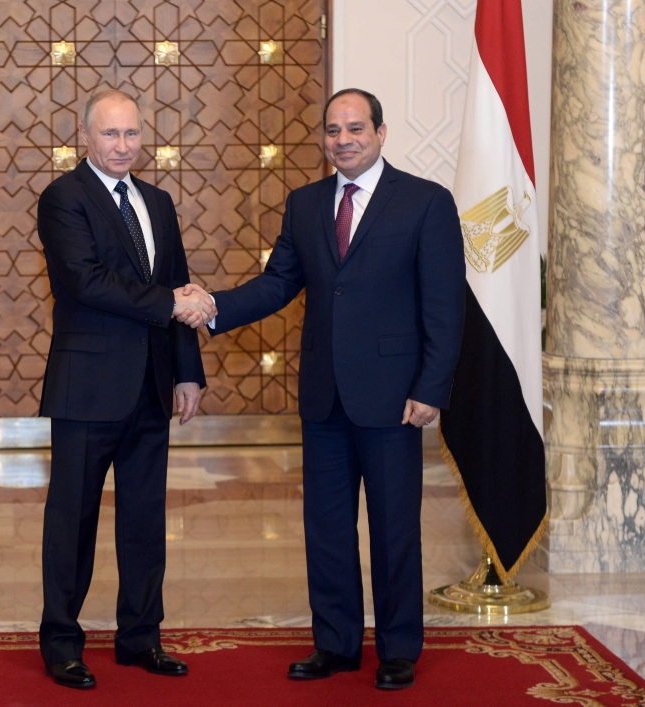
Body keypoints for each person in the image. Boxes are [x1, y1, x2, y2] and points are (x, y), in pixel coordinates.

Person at [180, 88, 465, 690]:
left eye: (355, 128)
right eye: (333, 130)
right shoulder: (305, 203)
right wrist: (213, 308)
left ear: (381, 133)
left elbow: (444, 306)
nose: (344, 140)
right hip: (324, 396)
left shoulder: (425, 202)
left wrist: (431, 386)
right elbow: (278, 282)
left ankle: (397, 649)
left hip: (394, 398)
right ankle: (335, 644)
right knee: (327, 527)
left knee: (394, 527)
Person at [36, 88, 216, 690]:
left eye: (132, 134)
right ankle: (61, 642)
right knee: (73, 521)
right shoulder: (64, 198)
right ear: (86, 137)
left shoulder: (159, 202)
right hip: (87, 388)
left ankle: (141, 638)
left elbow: (178, 285)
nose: (122, 146)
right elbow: (85, 283)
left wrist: (188, 370)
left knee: (144, 519)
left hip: (150, 388)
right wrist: (172, 302)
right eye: (111, 135)